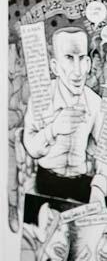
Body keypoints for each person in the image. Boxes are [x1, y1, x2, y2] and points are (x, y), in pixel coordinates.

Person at [23, 23, 107, 205]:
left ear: (88, 64)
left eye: (81, 58)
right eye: (69, 58)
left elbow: (104, 150)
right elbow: (31, 148)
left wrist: (99, 186)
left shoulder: (94, 102)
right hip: (46, 182)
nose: (77, 71)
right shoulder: (41, 97)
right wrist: (53, 129)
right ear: (54, 66)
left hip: (81, 183)